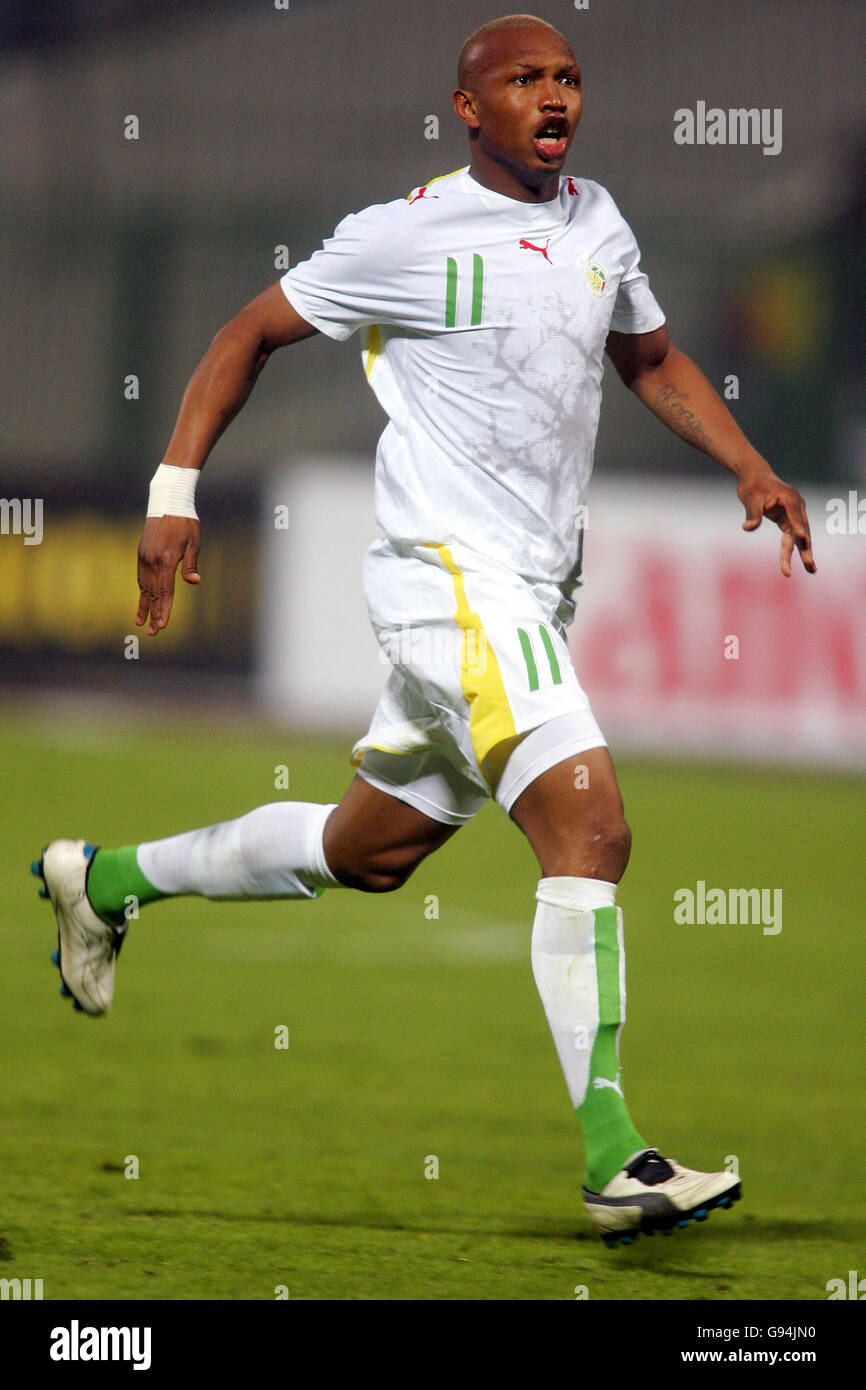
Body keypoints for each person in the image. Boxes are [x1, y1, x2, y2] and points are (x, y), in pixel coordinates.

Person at [34, 13, 815, 1247]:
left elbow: (650, 357)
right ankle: (616, 1151)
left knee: (368, 849)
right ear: (468, 107)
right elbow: (246, 336)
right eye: (522, 80)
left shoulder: (599, 222)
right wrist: (172, 493)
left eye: (566, 78)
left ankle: (106, 881)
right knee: (592, 826)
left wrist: (748, 464)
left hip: (528, 588)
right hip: (448, 582)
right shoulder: (400, 234)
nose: (552, 97)